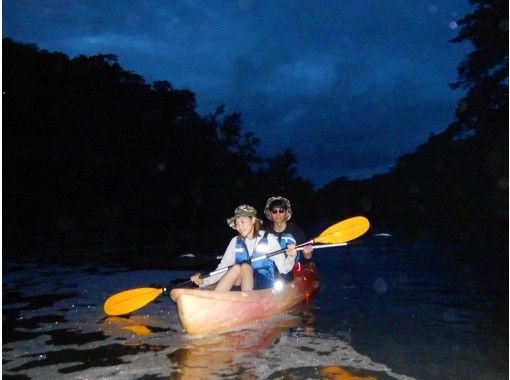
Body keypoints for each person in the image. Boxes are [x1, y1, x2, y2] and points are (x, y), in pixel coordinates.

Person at [190, 204, 297, 291]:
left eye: (242, 221)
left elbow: (284, 269)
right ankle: (215, 298)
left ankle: (247, 300)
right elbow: (222, 269)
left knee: (245, 266)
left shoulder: (269, 239)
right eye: (237, 224)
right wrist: (204, 281)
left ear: (253, 220)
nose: (239, 227)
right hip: (240, 284)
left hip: (264, 285)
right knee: (236, 267)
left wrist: (291, 256)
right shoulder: (235, 241)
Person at [264, 196, 313, 279]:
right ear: (270, 214)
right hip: (274, 270)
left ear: (287, 213)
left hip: (294, 270)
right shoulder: (267, 232)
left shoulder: (296, 230)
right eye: (274, 211)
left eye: (281, 211)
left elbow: (307, 257)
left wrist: (307, 253)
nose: (278, 214)